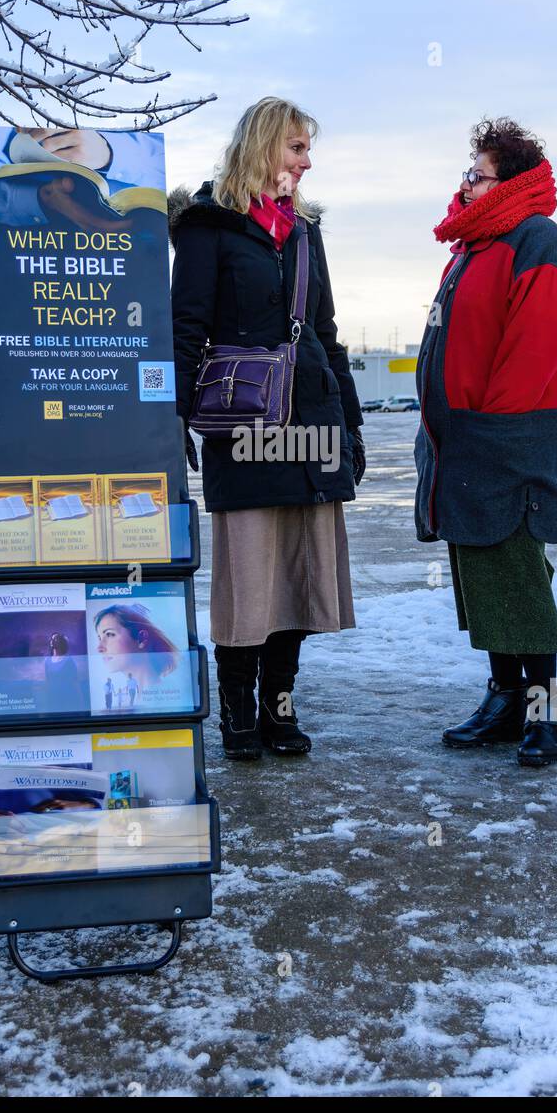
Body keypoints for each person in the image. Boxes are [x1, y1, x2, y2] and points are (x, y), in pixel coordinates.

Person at [170, 97, 365, 760]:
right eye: (296, 147)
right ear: (261, 147)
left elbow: (327, 338)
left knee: (296, 579)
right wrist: (172, 419)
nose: (306, 161)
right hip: (244, 424)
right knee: (248, 581)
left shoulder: (307, 233)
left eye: (308, 149)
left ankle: (280, 711)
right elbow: (186, 328)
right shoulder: (207, 226)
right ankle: (238, 717)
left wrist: (353, 429)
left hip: (311, 423)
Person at [414, 118, 557, 766]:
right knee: (483, 575)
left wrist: (491, 430)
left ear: (509, 181)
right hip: (463, 447)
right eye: (467, 173)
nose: (466, 185)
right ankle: (506, 698)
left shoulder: (537, 241)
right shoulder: (471, 250)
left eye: (477, 175)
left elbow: (534, 347)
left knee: (517, 574)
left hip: (508, 446)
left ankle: (547, 709)